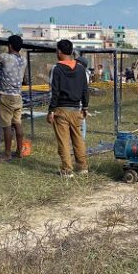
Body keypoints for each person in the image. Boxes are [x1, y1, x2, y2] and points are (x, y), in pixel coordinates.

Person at [47, 39, 89, 178]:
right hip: (77, 109)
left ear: (59, 51)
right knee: (78, 139)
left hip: (61, 110)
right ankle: (82, 167)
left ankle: (67, 170)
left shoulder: (57, 69)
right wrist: (85, 107)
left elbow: (54, 92)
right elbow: (85, 90)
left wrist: (51, 111)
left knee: (64, 141)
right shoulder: (81, 69)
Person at [0, 35, 26, 161]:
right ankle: (19, 151)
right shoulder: (23, 60)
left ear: (10, 45)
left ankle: (7, 154)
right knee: (17, 123)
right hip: (18, 96)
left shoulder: (5, 57)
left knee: (7, 126)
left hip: (6, 96)